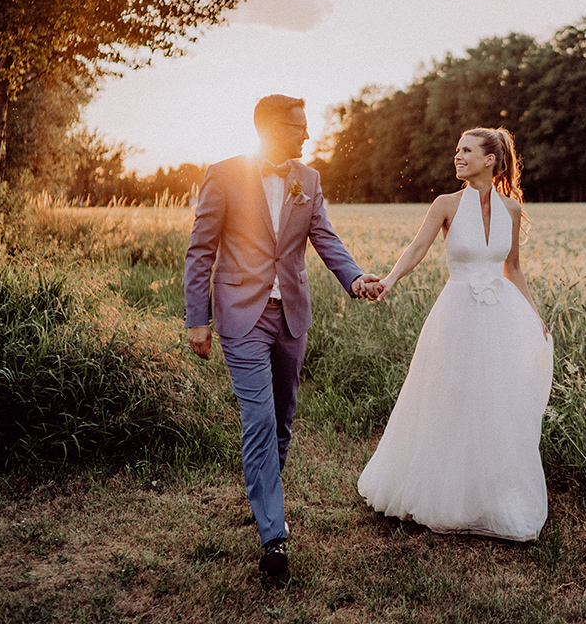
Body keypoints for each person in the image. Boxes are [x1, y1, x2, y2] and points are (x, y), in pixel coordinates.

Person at [184, 94, 379, 576]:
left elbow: (325, 238)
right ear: (270, 128)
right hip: (241, 317)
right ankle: (274, 536)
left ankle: (263, 494)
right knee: (259, 420)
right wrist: (197, 318)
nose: (307, 134)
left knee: (283, 418)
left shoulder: (307, 179)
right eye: (298, 126)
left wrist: (355, 278)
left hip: (292, 315)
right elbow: (201, 249)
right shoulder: (224, 174)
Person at [357, 127, 554, 541]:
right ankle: (442, 493)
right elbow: (417, 248)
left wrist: (535, 318)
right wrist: (389, 280)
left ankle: (492, 495)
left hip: (501, 315)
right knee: (450, 395)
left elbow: (513, 268)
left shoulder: (511, 209)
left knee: (495, 401)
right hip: (457, 313)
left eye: (466, 151)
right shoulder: (445, 204)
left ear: (490, 160)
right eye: (457, 150)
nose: (457, 156)